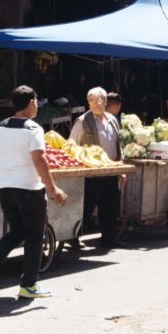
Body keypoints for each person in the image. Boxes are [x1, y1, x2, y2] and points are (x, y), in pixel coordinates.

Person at [0, 86, 68, 299]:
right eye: (36, 100)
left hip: (5, 187)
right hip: (29, 188)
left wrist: (10, 165)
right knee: (35, 234)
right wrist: (52, 189)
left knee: (17, 231)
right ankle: (29, 285)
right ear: (32, 102)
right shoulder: (33, 129)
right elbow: (39, 159)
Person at [70, 87, 125, 249]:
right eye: (90, 100)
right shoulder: (82, 121)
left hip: (111, 170)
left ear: (105, 101)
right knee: (86, 207)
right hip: (92, 172)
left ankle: (109, 239)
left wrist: (121, 168)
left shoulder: (113, 120)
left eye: (97, 99)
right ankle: (72, 237)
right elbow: (72, 144)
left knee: (110, 206)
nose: (94, 103)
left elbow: (118, 145)